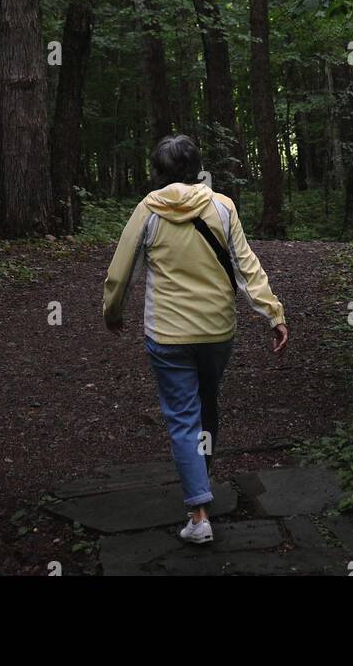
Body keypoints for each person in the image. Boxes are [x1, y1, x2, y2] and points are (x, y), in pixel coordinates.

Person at [102, 133, 288, 544]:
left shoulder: (147, 210)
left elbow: (120, 270)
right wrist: (273, 313)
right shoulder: (222, 207)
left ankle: (199, 511)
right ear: (195, 167)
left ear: (158, 172)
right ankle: (202, 479)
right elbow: (247, 267)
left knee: (183, 416)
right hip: (217, 330)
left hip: (167, 335)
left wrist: (112, 312)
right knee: (207, 406)